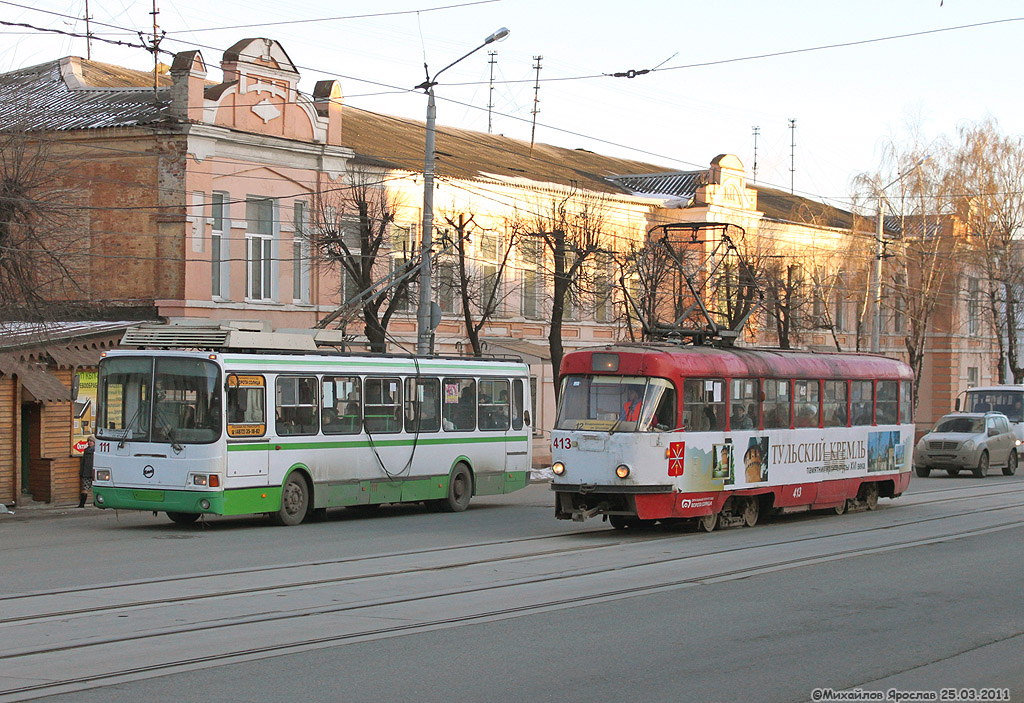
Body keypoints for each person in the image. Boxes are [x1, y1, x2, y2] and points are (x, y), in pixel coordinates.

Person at [78, 436, 95, 508]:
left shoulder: (96, 451)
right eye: (88, 441)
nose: (89, 442)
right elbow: (83, 462)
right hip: (87, 473)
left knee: (94, 488)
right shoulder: (86, 450)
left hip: (94, 473)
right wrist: (81, 472)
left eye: (91, 441)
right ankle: (82, 504)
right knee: (84, 488)